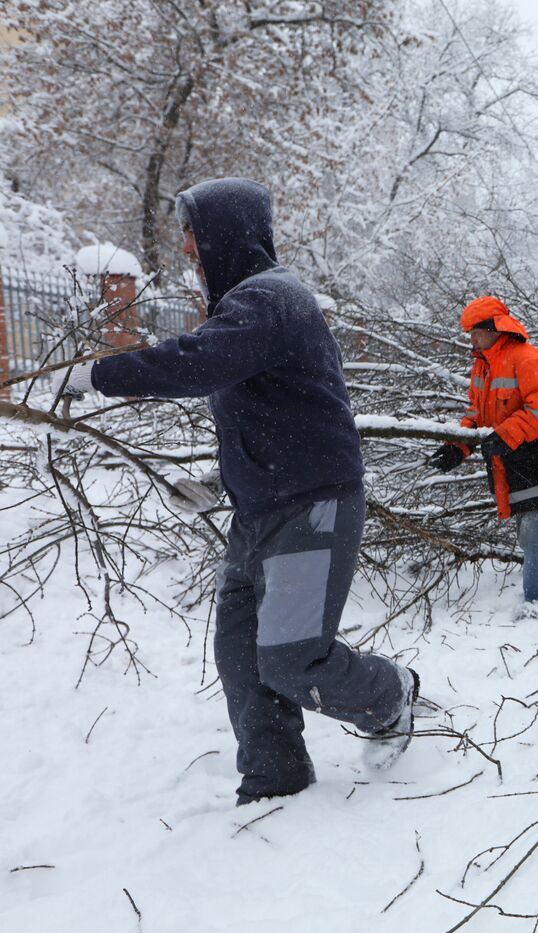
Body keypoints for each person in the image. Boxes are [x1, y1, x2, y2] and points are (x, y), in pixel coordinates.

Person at [62, 177, 417, 804]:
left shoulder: (269, 298)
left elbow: (195, 363)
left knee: (290, 658)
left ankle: (389, 696)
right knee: (240, 655)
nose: (188, 249)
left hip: (312, 507)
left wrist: (97, 374)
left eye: (194, 233)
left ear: (225, 230)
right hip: (259, 514)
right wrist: (217, 483)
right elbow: (271, 417)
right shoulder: (248, 311)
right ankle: (276, 778)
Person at [427, 296, 538, 607]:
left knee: (532, 533)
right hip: (520, 465)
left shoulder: (527, 359)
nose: (472, 339)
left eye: (476, 332)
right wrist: (457, 447)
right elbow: (476, 414)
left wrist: (506, 435)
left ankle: (536, 603)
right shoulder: (482, 367)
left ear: (495, 329)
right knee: (528, 531)